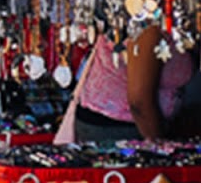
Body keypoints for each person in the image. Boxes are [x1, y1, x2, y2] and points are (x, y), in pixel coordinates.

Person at [65, 23, 193, 142]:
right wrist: (162, 146)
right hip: (120, 129)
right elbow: (139, 103)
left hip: (132, 124)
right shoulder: (148, 25)